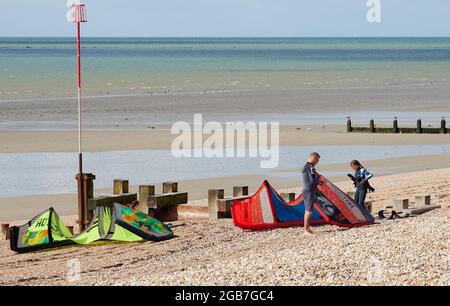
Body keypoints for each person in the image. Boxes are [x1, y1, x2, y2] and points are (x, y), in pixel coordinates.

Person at [301, 152, 321, 236]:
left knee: (309, 210)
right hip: (309, 190)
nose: (317, 162)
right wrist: (319, 181)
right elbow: (312, 180)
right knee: (308, 211)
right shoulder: (310, 167)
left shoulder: (305, 166)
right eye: (317, 160)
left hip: (307, 190)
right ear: (313, 158)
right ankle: (305, 230)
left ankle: (307, 228)